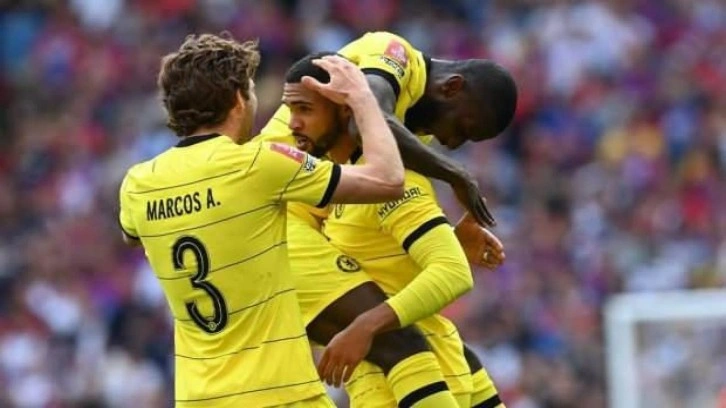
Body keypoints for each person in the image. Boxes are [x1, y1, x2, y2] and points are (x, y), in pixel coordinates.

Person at [117, 33, 408, 407]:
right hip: (280, 394)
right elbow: (388, 179)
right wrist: (363, 98)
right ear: (238, 100)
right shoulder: (259, 164)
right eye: (252, 91)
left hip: (198, 399)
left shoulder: (138, 184)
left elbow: (132, 235)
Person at [282, 51, 514, 407]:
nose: (293, 124)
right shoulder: (340, 187)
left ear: (343, 109)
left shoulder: (393, 183)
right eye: (291, 111)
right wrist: (451, 240)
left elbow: (452, 273)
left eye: (305, 110)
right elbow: (385, 270)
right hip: (429, 369)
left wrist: (364, 327)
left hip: (412, 382)